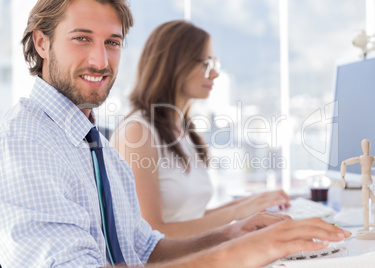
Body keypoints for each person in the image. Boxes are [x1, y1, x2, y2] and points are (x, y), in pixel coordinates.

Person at [0, 0, 350, 267]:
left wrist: (232, 233)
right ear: (42, 43)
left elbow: (143, 248)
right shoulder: (27, 142)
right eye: (81, 38)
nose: (101, 60)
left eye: (112, 42)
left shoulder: (94, 145)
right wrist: (240, 252)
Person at [110, 20, 291, 239]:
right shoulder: (137, 132)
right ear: (174, 64)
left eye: (215, 64)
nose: (214, 74)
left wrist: (251, 204)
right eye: (206, 63)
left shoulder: (184, 131)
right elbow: (152, 235)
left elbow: (190, 217)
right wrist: (236, 213)